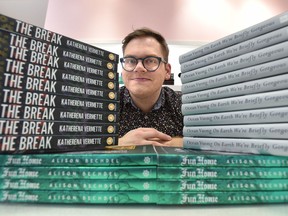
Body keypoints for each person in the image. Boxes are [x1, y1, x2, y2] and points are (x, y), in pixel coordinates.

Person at [118, 27, 183, 147]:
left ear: (167, 71)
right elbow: (79, 144)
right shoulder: (105, 104)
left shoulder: (185, 104)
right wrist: (120, 143)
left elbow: (212, 142)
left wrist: (163, 144)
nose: (138, 67)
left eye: (150, 60)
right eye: (131, 61)